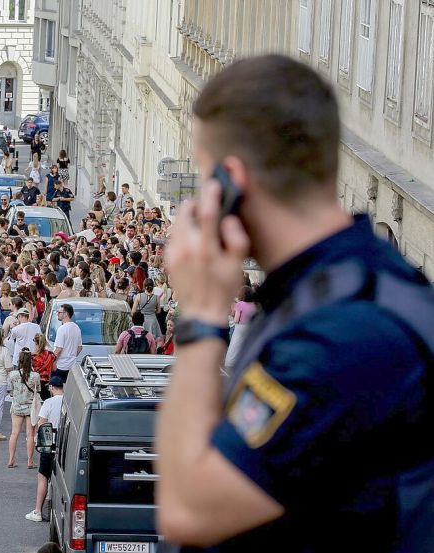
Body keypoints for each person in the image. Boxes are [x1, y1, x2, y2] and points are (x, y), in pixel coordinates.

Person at [156, 55, 434, 552]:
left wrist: (199, 315)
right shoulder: (348, 287)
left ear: (232, 182)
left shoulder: (342, 333)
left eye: (203, 177)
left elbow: (187, 510)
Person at [26, 376, 64, 522]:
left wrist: (36, 439)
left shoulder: (48, 402)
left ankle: (38, 511)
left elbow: (42, 423)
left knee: (43, 476)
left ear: (52, 388)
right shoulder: (70, 401)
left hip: (49, 444)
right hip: (65, 444)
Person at [7, 350, 40, 469]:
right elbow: (38, 391)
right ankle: (30, 461)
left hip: (16, 406)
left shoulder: (13, 374)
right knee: (30, 435)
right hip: (30, 407)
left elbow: (10, 390)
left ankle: (11, 459)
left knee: (14, 433)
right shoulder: (35, 376)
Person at [224, 285, 256, 370]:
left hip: (240, 327)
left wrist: (233, 317)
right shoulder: (254, 304)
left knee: (235, 344)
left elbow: (236, 319)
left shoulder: (239, 304)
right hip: (250, 326)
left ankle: (230, 362)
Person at [51, 303, 82, 380]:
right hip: (72, 366)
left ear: (65, 314)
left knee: (56, 389)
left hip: (61, 366)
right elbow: (80, 347)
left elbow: (58, 349)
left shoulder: (62, 329)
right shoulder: (76, 327)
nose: (58, 314)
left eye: (59, 312)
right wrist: (71, 356)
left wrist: (51, 361)